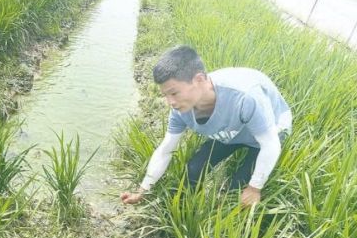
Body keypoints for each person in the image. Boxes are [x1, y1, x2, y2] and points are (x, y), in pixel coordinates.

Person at [120, 45, 292, 206]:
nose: (170, 102)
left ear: (200, 79)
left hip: (266, 134)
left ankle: (228, 223)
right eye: (165, 95)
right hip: (230, 133)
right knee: (193, 170)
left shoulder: (245, 97)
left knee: (236, 188)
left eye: (174, 93)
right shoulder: (180, 109)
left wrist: (255, 187)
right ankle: (188, 210)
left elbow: (270, 144)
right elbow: (165, 150)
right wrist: (142, 190)